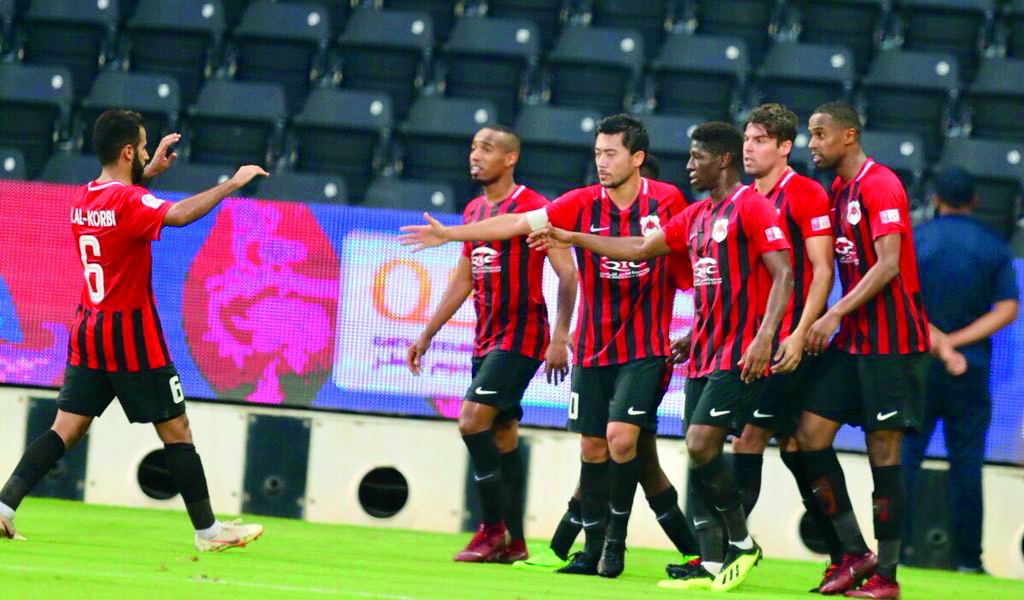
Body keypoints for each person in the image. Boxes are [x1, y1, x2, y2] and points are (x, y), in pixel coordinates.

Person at [400, 114, 696, 578]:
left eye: (611, 153)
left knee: (621, 442)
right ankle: (585, 548)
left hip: (643, 347)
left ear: (637, 158)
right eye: (597, 153)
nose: (601, 162)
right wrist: (450, 234)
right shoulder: (578, 202)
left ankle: (611, 549)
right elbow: (517, 224)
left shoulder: (668, 200)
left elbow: (650, 250)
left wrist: (560, 323)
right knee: (600, 451)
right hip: (595, 348)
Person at [529, 121, 794, 592]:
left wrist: (764, 336)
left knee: (697, 443)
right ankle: (711, 559)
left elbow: (784, 273)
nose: (688, 165)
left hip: (740, 351)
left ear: (723, 161)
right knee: (695, 451)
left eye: (696, 158)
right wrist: (575, 239)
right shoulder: (692, 217)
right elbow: (636, 249)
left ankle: (740, 542)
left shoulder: (753, 207)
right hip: (702, 352)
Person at [0, 109, 266, 551]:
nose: (149, 153)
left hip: (88, 326)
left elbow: (123, 210)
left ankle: (4, 507)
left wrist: (146, 175)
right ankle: (208, 532)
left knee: (65, 426)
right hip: (131, 330)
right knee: (176, 428)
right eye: (143, 148)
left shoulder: (85, 198)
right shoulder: (129, 202)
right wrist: (233, 184)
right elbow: (177, 216)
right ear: (128, 151)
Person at [405, 125, 578, 564]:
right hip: (487, 337)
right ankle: (516, 542)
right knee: (502, 433)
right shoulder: (474, 210)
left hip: (522, 334)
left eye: (486, 148)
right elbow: (464, 278)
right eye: (472, 148)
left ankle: (491, 529)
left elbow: (569, 272)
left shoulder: (536, 208)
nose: (475, 156)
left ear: (510, 158)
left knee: (470, 420)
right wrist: (427, 333)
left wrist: (560, 336)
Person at [797, 101, 931, 599]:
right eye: (810, 134)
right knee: (808, 434)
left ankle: (888, 578)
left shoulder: (880, 185)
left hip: (893, 345)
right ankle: (855, 553)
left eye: (819, 134)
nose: (812, 143)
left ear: (848, 135)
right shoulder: (838, 189)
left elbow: (889, 264)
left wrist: (832, 313)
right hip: (855, 342)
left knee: (883, 453)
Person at [730, 103, 847, 587]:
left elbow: (821, 269)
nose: (749, 148)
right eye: (746, 140)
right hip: (749, 341)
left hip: (785, 344)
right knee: (794, 447)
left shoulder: (805, 194)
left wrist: (800, 333)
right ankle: (845, 552)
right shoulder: (740, 197)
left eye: (760, 140)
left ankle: (726, 550)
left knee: (748, 438)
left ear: (784, 147)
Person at [901, 166, 1019, 574]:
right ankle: (969, 560)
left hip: (918, 363)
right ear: (974, 202)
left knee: (904, 459)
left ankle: (893, 555)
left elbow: (903, 302)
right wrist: (956, 344)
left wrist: (937, 342)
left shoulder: (915, 241)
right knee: (967, 463)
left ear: (934, 199)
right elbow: (1007, 310)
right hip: (970, 366)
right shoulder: (993, 245)